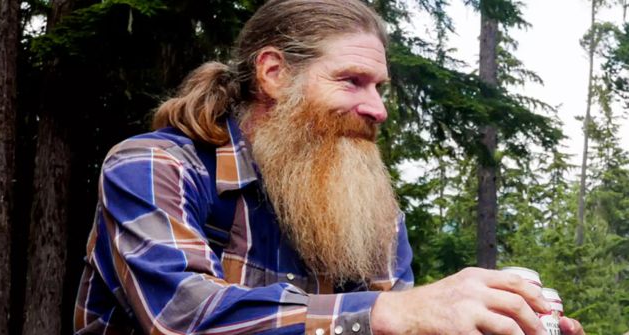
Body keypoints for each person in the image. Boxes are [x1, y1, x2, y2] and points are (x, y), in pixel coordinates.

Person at [73, 0, 586, 334]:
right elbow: (179, 317)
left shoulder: (372, 213)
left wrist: (487, 322)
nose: (378, 108)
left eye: (379, 87)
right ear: (273, 73)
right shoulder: (155, 165)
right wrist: (388, 314)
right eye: (351, 81)